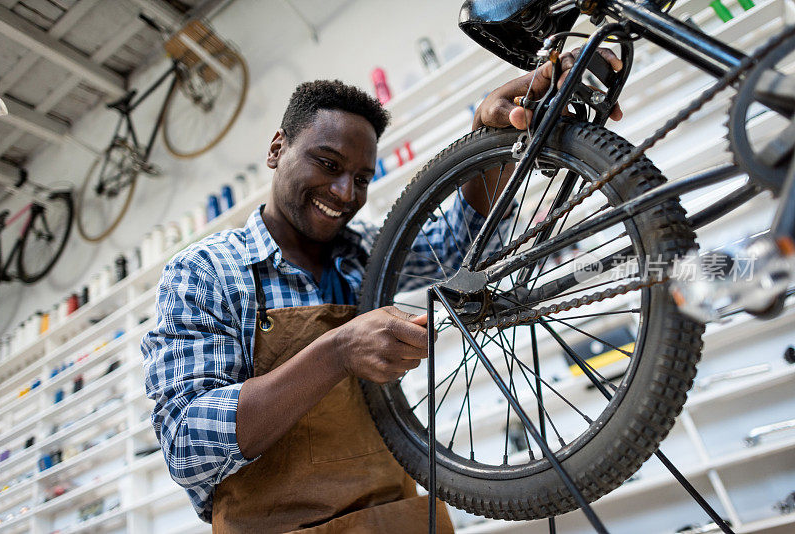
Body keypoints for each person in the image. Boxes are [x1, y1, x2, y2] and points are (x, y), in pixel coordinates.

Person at [141, 49, 623, 534]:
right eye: (328, 164)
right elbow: (187, 447)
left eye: (362, 178)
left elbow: (460, 246)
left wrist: (490, 137)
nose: (346, 193)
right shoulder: (205, 273)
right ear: (276, 150)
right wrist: (336, 352)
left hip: (397, 522)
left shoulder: (364, 251)